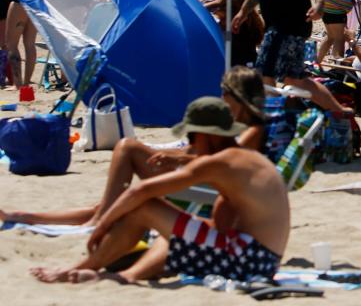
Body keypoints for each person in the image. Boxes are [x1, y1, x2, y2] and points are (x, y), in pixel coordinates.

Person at [30, 97, 289, 285]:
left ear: (207, 135)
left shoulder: (218, 163)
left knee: (146, 208)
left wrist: (100, 226)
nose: (191, 146)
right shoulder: (248, 159)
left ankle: (83, 267)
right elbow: (223, 224)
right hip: (263, 260)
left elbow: (140, 192)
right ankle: (124, 276)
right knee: (171, 230)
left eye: (192, 138)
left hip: (247, 259)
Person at [3, 66, 266, 228]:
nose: (221, 98)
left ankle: (98, 219)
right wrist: (174, 155)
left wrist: (177, 161)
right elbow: (198, 153)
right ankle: (24, 215)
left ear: (238, 97)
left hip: (209, 188)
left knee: (127, 148)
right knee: (108, 200)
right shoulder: (231, 123)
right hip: (198, 178)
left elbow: (223, 165)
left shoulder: (252, 131)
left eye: (225, 94)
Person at [234, 0, 350, 113]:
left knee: (287, 78)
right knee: (278, 77)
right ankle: (272, 115)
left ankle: (337, 110)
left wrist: (320, 3)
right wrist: (244, 11)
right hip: (274, 27)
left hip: (290, 26)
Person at [205, 0, 265, 68]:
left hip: (235, 71)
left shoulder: (234, 29)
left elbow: (198, 11)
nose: (216, 10)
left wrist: (216, 2)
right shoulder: (251, 23)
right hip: (250, 66)